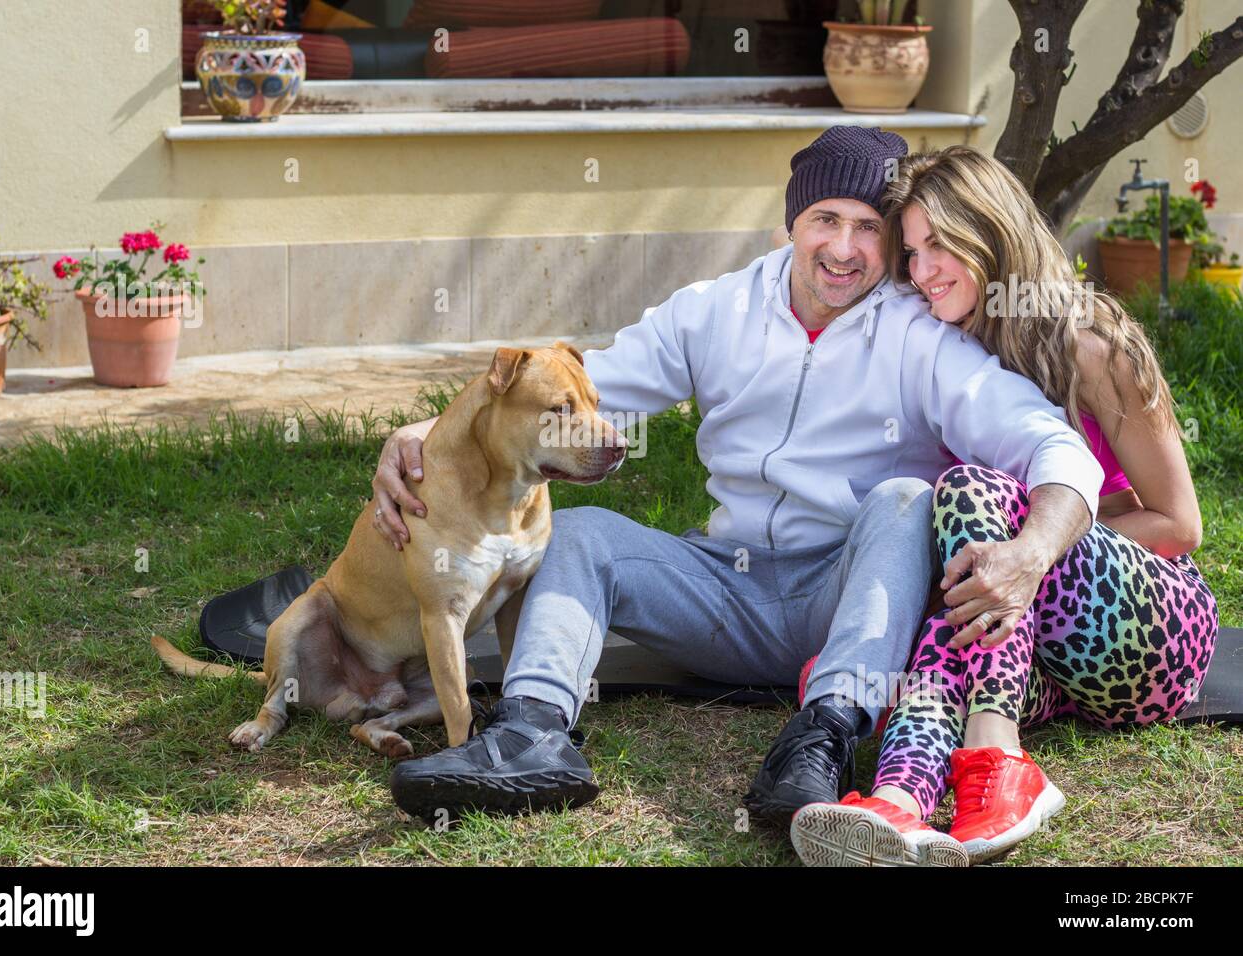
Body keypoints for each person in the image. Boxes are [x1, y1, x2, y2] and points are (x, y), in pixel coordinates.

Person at [370, 127, 1103, 859]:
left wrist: (1033, 551)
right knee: (585, 531)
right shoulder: (715, 309)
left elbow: (1056, 447)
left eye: (868, 228)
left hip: (847, 604)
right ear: (792, 222)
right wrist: (432, 430)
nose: (843, 248)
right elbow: (582, 391)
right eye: (824, 219)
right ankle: (529, 735)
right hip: (722, 590)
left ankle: (822, 739)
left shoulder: (922, 337)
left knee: (906, 499)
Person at [789, 146, 1219, 867]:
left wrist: (1030, 549)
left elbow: (1180, 526)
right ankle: (898, 804)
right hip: (1034, 653)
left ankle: (1000, 754)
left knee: (972, 494)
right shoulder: (946, 345)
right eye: (912, 253)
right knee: (920, 661)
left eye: (940, 245)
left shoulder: (1090, 345)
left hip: (1149, 632)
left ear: (991, 232)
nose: (922, 271)